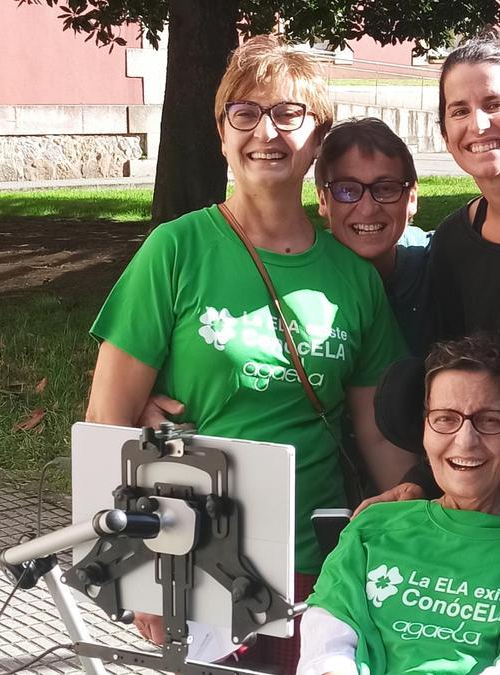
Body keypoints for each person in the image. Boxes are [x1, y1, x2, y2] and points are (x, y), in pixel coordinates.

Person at [85, 34, 415, 668]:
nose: (266, 130)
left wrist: (422, 533)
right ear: (222, 134)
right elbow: (108, 421)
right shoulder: (175, 250)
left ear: (317, 140)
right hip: (197, 557)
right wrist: (137, 570)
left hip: (320, 561)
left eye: (289, 113)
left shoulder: (352, 275)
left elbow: (378, 436)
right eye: (245, 112)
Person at [298, 335, 500, 675]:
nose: (465, 441)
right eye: (445, 418)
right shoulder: (372, 528)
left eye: (489, 420)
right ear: (425, 427)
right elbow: (327, 644)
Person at [426, 36, 500, 352]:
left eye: (494, 104)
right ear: (445, 134)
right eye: (459, 111)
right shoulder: (451, 243)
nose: (478, 124)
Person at [315, 117, 430, 356]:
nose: (368, 209)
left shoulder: (441, 259)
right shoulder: (299, 276)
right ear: (323, 200)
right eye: (347, 189)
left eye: (386, 188)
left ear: (411, 198)